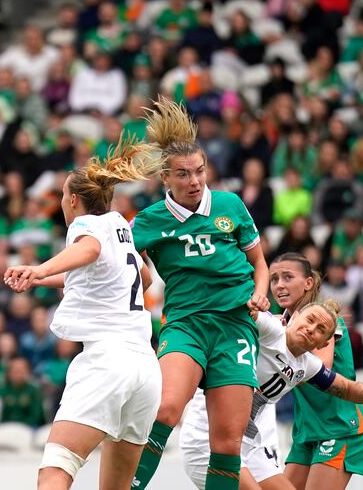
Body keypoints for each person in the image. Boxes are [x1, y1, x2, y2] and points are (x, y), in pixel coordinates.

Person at [4, 135, 163, 490]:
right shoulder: (120, 228)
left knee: (55, 471)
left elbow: (88, 251)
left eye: (62, 195)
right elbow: (145, 277)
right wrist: (39, 280)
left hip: (107, 360)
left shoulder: (86, 226)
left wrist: (40, 269)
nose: (62, 202)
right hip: (145, 368)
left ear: (73, 200)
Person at [130, 98, 270, 490]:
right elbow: (122, 264)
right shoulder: (148, 221)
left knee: (226, 442)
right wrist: (140, 274)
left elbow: (260, 263)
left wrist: (261, 293)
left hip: (235, 326)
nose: (194, 181)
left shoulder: (230, 205)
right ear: (165, 178)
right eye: (183, 174)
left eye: (199, 172)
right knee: (165, 408)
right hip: (185, 325)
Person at [181, 300, 363, 489]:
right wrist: (255, 301)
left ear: (323, 344)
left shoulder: (308, 366)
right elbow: (245, 311)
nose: (311, 329)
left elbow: (346, 388)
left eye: (320, 330)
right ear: (294, 317)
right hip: (206, 439)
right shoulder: (271, 330)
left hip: (247, 446)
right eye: (310, 320)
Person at [264, 252, 363, 490]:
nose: (279, 285)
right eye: (274, 279)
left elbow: (321, 368)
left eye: (287, 277)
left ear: (308, 283)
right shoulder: (279, 324)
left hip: (339, 428)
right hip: (307, 430)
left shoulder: (323, 320)